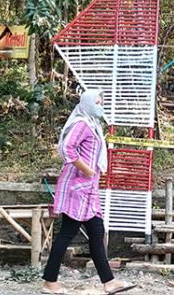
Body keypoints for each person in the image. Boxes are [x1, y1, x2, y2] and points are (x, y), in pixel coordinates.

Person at [42, 90, 136, 295]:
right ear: (86, 104)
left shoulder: (93, 124)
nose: (100, 105)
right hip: (78, 188)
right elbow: (66, 148)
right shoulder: (82, 124)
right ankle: (50, 281)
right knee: (67, 233)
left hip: (89, 189)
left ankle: (109, 282)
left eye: (102, 102)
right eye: (97, 101)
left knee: (96, 232)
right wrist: (87, 169)